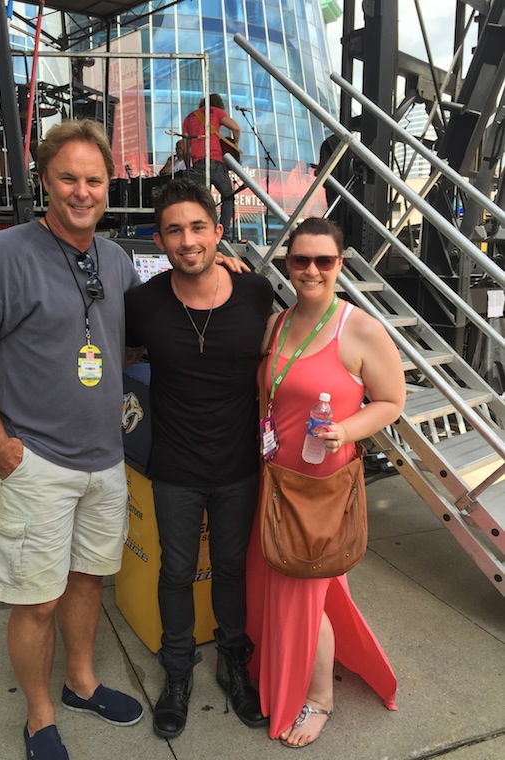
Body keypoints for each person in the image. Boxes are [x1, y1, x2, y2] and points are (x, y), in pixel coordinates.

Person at [0, 119, 144, 760]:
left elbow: (149, 326)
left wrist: (218, 264)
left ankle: (80, 683)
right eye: (68, 179)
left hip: (105, 462)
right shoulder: (1, 255)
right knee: (36, 602)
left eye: (94, 180)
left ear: (109, 185)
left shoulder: (114, 259)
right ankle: (39, 715)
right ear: (45, 182)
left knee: (87, 582)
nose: (82, 192)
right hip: (35, 462)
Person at [246, 216, 406, 747]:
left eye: (324, 260)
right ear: (287, 263)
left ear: (341, 263)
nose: (311, 270)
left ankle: (318, 697)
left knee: (302, 589)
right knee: (301, 585)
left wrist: (346, 429)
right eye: (300, 260)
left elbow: (391, 402)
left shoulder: (358, 328)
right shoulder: (276, 323)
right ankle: (292, 671)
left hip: (321, 486)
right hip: (276, 478)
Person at [124, 177, 273, 738]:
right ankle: (179, 671)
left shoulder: (256, 292)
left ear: (219, 231)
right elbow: (119, 352)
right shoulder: (143, 302)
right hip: (176, 468)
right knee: (177, 572)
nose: (187, 240)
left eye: (197, 227)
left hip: (239, 465)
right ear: (159, 240)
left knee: (233, 570)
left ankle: (235, 661)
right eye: (173, 230)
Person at [182, 93, 240, 240]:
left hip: (197, 164)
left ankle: (202, 234)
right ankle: (224, 234)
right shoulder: (216, 112)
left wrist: (190, 166)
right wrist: (234, 144)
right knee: (228, 196)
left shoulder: (189, 118)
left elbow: (185, 147)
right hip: (215, 161)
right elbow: (236, 128)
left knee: (200, 201)